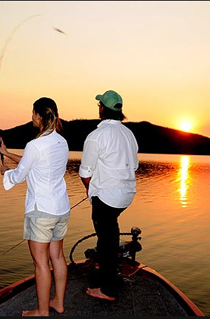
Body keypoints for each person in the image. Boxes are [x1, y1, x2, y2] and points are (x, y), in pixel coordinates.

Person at [0, 97, 70, 316]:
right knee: (57, 257)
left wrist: (5, 172)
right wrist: (7, 153)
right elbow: (35, 163)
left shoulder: (34, 145)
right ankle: (58, 303)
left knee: (40, 263)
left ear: (38, 116)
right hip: (61, 209)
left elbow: (19, 176)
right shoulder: (61, 142)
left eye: (32, 113)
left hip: (41, 212)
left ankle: (42, 312)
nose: (31, 117)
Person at [79, 89, 139, 301]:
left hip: (106, 198)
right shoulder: (129, 134)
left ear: (102, 109)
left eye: (100, 105)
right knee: (110, 233)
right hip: (126, 196)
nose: (99, 108)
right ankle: (106, 273)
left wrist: (91, 192)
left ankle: (107, 290)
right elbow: (133, 168)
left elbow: (85, 173)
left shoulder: (96, 136)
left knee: (106, 240)